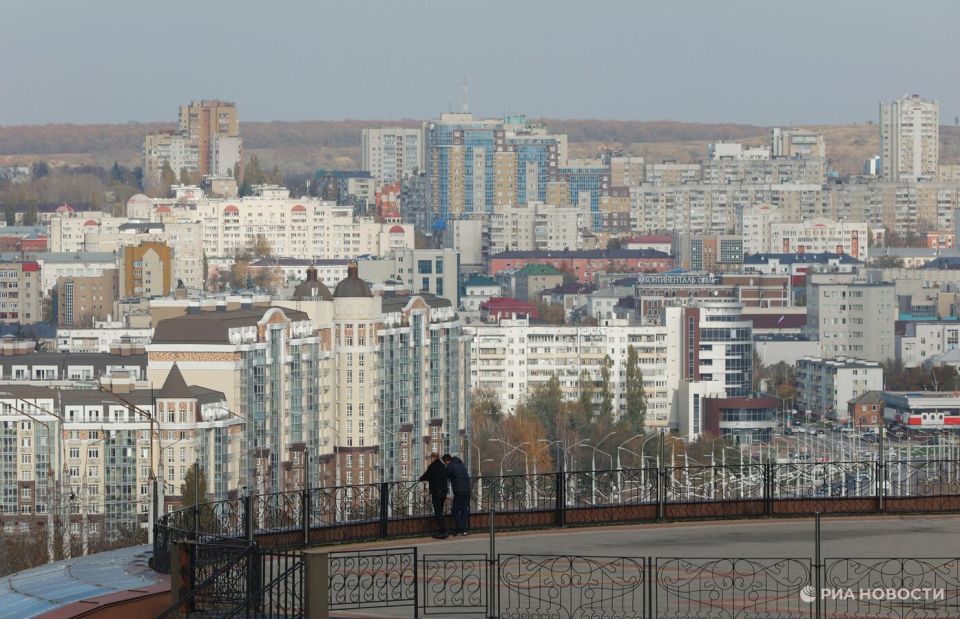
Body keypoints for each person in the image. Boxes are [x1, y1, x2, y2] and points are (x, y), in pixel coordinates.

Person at [419, 452, 449, 538]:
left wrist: (420, 479)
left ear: (433, 458)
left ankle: (444, 531)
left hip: (436, 491)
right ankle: (441, 530)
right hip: (444, 491)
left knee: (438, 511)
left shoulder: (432, 466)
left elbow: (426, 476)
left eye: (431, 458)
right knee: (440, 510)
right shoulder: (443, 466)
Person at [442, 453, 471, 536]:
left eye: (445, 463)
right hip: (467, 489)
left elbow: (445, 475)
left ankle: (461, 528)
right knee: (464, 510)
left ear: (447, 461)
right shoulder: (461, 464)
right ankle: (464, 530)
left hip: (459, 490)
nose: (445, 465)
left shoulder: (451, 466)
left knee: (454, 511)